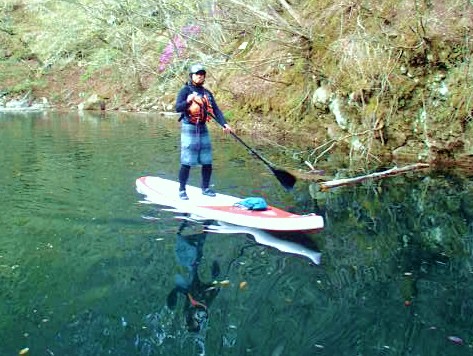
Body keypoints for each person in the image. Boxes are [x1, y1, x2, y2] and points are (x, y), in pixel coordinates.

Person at [175, 63, 232, 200]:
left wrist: (224, 124)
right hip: (189, 126)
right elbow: (178, 108)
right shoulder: (185, 91)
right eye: (197, 74)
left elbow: (216, 110)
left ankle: (205, 188)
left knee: (207, 161)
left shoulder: (207, 93)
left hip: (202, 127)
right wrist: (188, 102)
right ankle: (182, 190)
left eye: (202, 74)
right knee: (187, 160)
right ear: (191, 76)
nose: (200, 76)